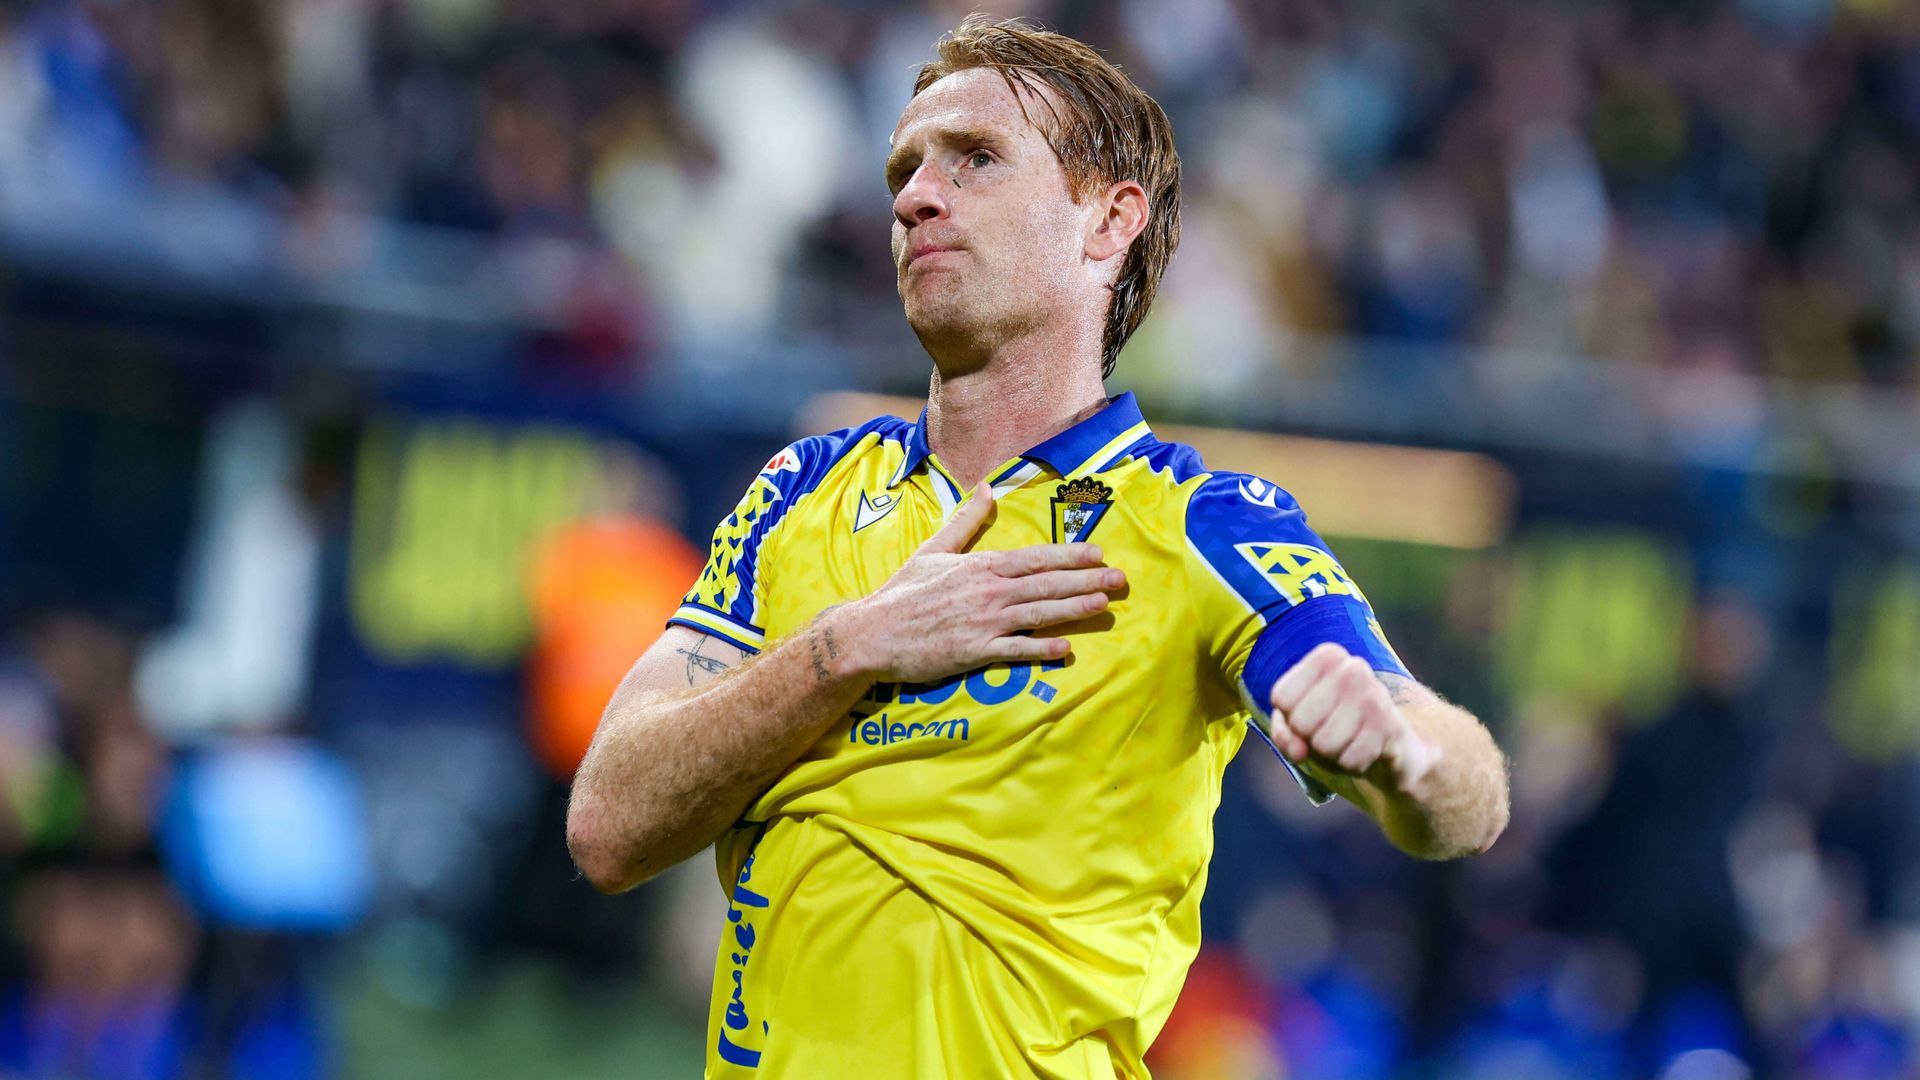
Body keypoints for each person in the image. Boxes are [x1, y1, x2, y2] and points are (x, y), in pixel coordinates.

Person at [567, 15, 1509, 1077]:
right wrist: (849, 649)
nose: (917, 195)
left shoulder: (1199, 520)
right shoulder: (803, 490)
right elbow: (608, 827)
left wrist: (1400, 750)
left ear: (1108, 223)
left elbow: (1467, 801)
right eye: (905, 170)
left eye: (975, 159)